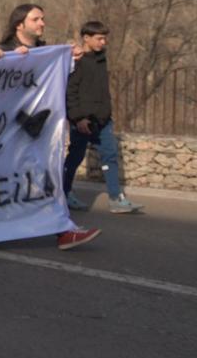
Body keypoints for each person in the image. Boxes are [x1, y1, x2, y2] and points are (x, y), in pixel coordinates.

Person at [0, 4, 101, 250]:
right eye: (36, 19)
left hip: (40, 133)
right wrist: (6, 61)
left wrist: (68, 59)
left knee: (49, 178)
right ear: (19, 24)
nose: (42, 23)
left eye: (43, 18)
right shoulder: (3, 52)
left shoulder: (46, 53)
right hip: (8, 135)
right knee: (4, 183)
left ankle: (63, 229)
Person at [62, 21, 144, 214]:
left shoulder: (101, 60)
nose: (103, 42)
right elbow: (70, 93)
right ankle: (63, 194)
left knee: (110, 156)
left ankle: (116, 199)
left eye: (105, 38)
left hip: (103, 121)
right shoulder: (76, 61)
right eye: (99, 38)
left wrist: (107, 113)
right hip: (82, 121)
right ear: (86, 38)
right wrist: (78, 118)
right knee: (74, 158)